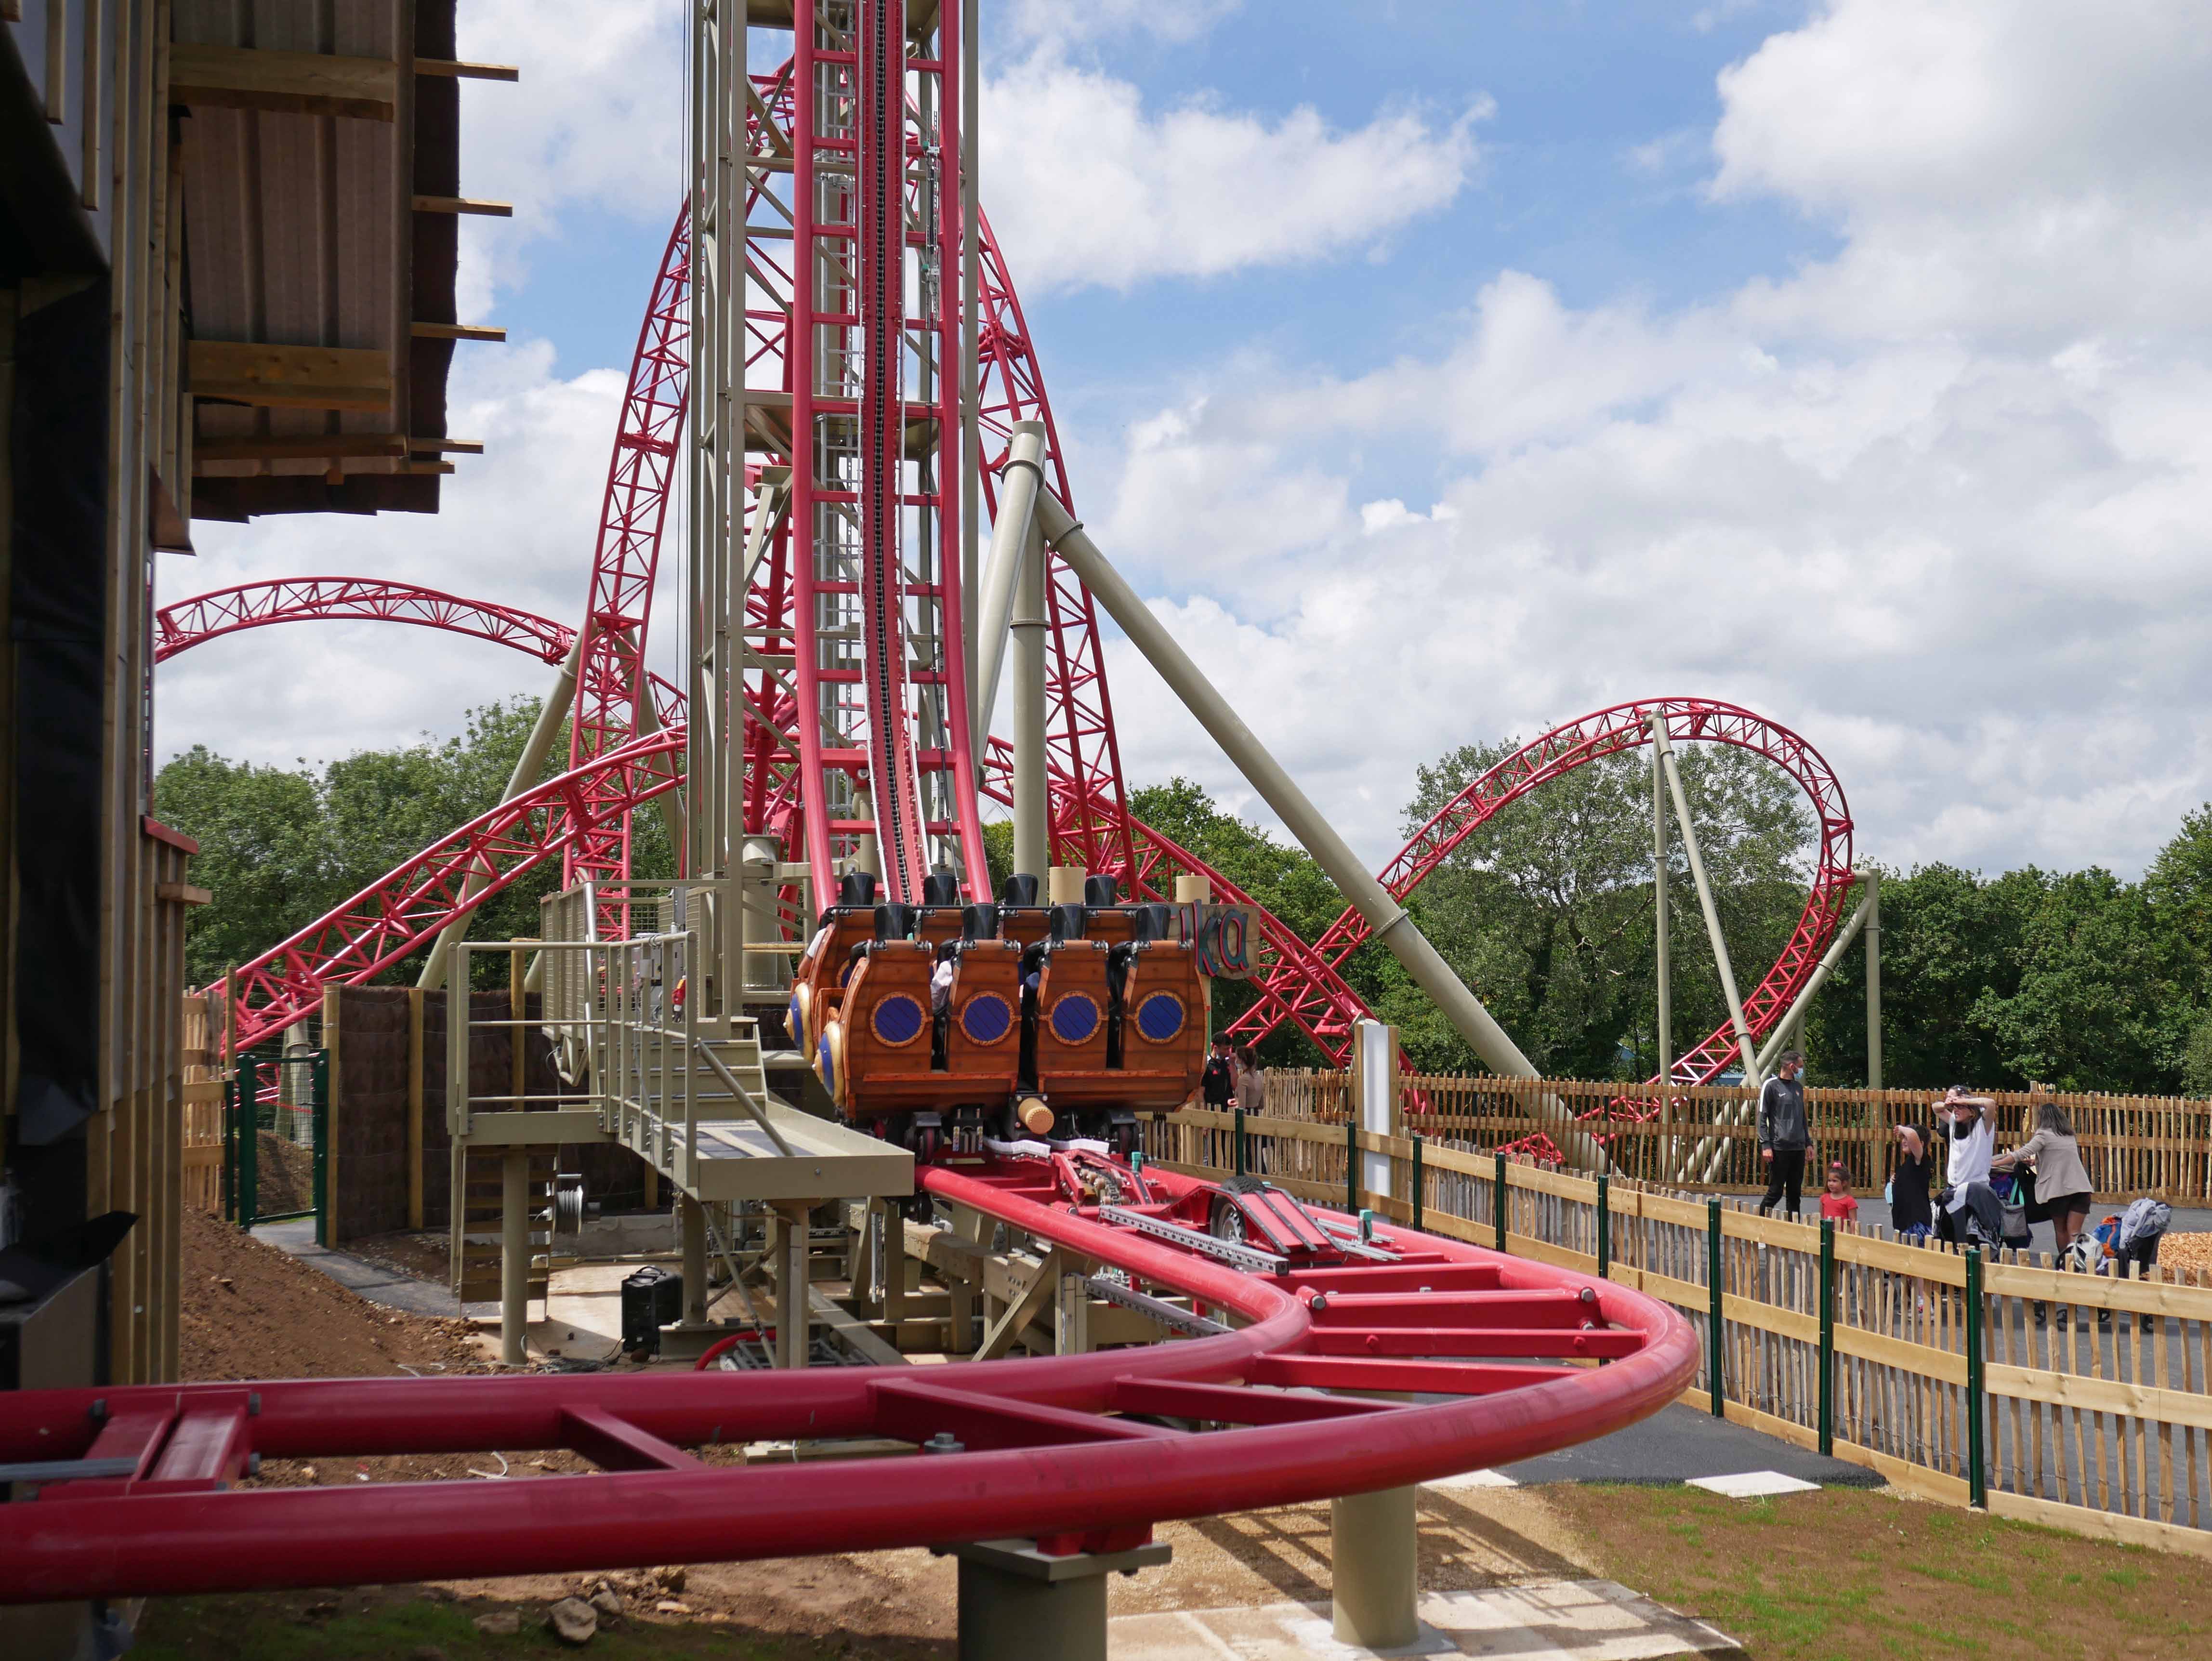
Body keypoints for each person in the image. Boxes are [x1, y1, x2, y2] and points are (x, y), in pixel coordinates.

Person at [1992, 1100, 2094, 1258]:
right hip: (2081, 1189)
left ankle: (2065, 1263)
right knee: (2074, 1232)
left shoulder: (2043, 1135)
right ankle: (2078, 1262)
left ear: (2043, 1118)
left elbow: (2021, 1154)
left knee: (2061, 1230)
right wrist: (2037, 1161)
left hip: (2059, 1192)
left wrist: (1994, 1163)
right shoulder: (2069, 1135)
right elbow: (2061, 1158)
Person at [1755, 1051, 1812, 1218]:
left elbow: (1802, 1117)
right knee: (1776, 1191)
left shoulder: (1798, 1088)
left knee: (1795, 1193)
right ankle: (1761, 1225)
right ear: (1792, 1066)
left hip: (1798, 1147)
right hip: (1779, 1147)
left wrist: (1808, 1143)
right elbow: (1762, 1117)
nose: (1802, 1070)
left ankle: (1793, 1229)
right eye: (1800, 1067)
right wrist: (1766, 1145)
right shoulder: (1771, 1086)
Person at [1935, 1088, 1995, 1242]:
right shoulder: (1954, 1123)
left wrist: (1964, 1100)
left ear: (1972, 1112)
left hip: (1975, 1191)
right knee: (1950, 1237)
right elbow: (1936, 1108)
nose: (1956, 1110)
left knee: (1972, 1239)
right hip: (1953, 1189)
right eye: (1954, 1108)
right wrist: (1949, 1104)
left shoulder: (1983, 1126)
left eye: (1960, 1108)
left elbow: (1990, 1103)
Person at [1888, 1124, 1935, 1243]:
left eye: (1907, 1138)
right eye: (1903, 1138)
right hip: (1903, 1224)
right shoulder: (1908, 1164)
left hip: (1917, 1224)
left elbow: (1912, 1135)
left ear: (1921, 1144)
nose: (1904, 1141)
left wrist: (1901, 1129)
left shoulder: (1921, 1160)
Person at [1201, 1036, 1235, 1110]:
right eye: (1226, 1049)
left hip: (1229, 1110)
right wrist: (1204, 1112)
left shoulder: (1228, 1063)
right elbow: (1201, 1092)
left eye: (1229, 1049)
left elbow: (1236, 1087)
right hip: (1212, 1110)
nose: (1228, 1052)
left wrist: (1232, 1064)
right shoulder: (1206, 1065)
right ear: (1216, 1048)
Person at [1819, 1161, 1859, 1225]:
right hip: (1826, 1230)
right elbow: (1821, 1218)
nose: (1831, 1184)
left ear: (1844, 1183)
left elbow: (1853, 1220)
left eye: (1834, 1181)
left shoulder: (1850, 1201)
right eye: (1829, 1181)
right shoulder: (1824, 1198)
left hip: (1843, 1231)